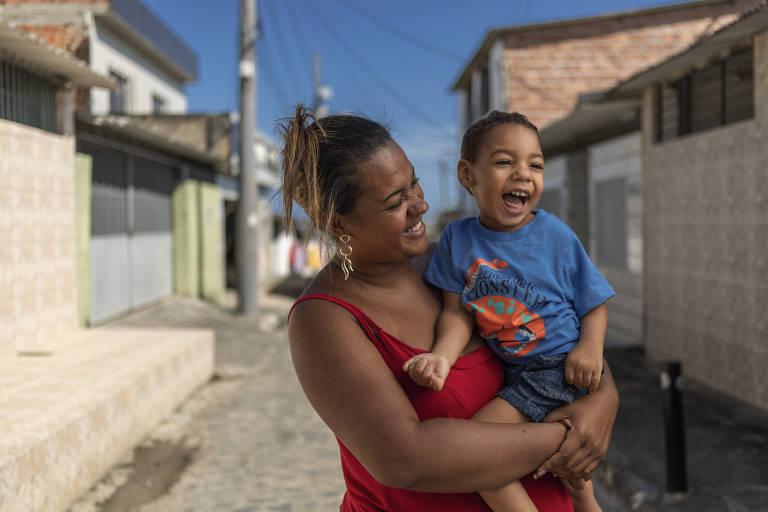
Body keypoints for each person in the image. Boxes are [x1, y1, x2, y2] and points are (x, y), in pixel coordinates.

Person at [280, 104, 619, 511]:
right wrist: (570, 433)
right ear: (338, 223)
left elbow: (561, 327)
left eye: (415, 185)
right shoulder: (324, 317)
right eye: (394, 202)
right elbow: (406, 458)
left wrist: (603, 403)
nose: (420, 205)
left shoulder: (456, 261)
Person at [403, 111, 614, 512]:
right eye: (504, 162)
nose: (523, 174)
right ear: (468, 175)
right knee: (575, 475)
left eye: (535, 165)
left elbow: (594, 300)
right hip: (517, 369)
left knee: (475, 448)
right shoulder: (457, 239)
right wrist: (441, 358)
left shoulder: (554, 234)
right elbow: (457, 314)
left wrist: (591, 347)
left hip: (559, 365)